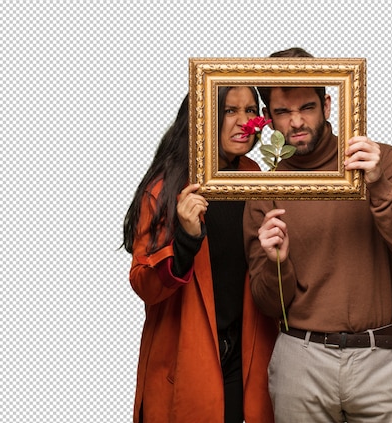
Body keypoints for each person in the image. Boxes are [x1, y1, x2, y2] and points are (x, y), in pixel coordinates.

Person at [243, 48, 392, 422]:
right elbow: (269, 304)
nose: (296, 121)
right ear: (268, 119)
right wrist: (277, 263)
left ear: (327, 104)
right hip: (301, 359)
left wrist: (377, 184)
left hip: (380, 357)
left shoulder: (380, 160)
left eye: (307, 107)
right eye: (282, 111)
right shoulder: (264, 188)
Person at [123, 86, 278, 423]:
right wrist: (186, 242)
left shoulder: (255, 179)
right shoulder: (167, 189)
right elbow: (143, 284)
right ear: (204, 117)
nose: (244, 122)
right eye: (230, 111)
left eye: (251, 111)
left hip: (244, 358)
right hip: (185, 361)